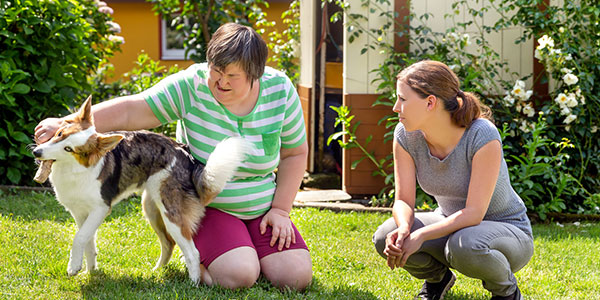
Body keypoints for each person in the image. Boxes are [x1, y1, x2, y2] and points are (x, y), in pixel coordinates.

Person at [34, 23, 312, 290]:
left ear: (256, 73)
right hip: (207, 204)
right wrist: (65, 124)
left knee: (295, 277)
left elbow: (295, 153)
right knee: (238, 275)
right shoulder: (191, 86)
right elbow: (132, 109)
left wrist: (280, 211)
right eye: (216, 70)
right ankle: (215, 253)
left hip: (262, 207)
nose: (221, 81)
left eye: (232, 75)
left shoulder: (280, 90)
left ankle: (247, 248)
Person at [372, 60, 533, 300]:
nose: (396, 107)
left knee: (464, 244)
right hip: (451, 225)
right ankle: (438, 279)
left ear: (430, 102)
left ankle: (506, 292)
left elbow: (474, 214)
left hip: (507, 233)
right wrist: (406, 229)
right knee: (386, 235)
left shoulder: (482, 135)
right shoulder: (405, 136)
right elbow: (403, 199)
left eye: (403, 99)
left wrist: (422, 235)